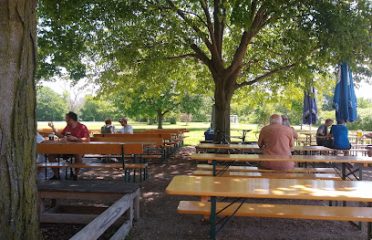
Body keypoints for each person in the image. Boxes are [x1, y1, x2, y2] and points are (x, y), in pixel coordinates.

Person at [48, 111, 90, 180]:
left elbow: (87, 139)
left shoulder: (82, 127)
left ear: (71, 119)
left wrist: (76, 139)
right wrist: (54, 130)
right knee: (50, 155)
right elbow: (61, 136)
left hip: (77, 149)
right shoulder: (68, 127)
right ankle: (56, 175)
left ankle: (75, 175)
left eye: (66, 118)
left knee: (78, 155)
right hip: (65, 149)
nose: (65, 120)